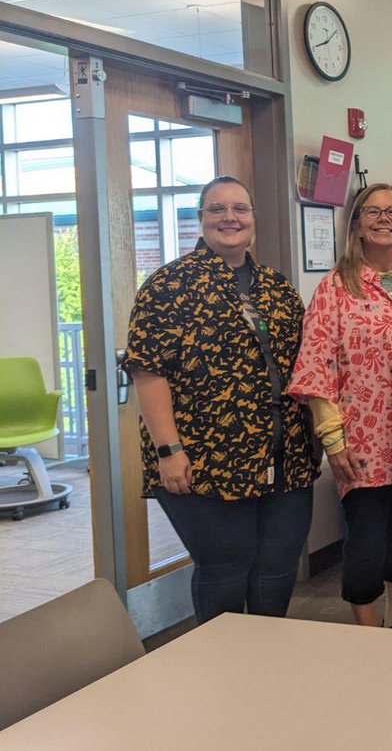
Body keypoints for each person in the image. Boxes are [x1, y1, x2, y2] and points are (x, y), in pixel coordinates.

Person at [124, 176, 316, 624]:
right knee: (226, 569)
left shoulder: (277, 287)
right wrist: (169, 450)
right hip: (205, 459)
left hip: (285, 457)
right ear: (201, 219)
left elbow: (306, 364)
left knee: (277, 570)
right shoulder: (168, 285)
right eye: (217, 209)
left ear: (253, 220)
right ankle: (221, 671)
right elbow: (148, 372)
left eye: (240, 209)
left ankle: (267, 659)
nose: (230, 217)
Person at [288, 184, 392, 628]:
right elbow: (316, 365)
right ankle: (367, 632)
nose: (384, 219)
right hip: (363, 439)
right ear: (356, 224)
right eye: (373, 211)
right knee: (366, 544)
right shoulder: (336, 289)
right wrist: (333, 439)